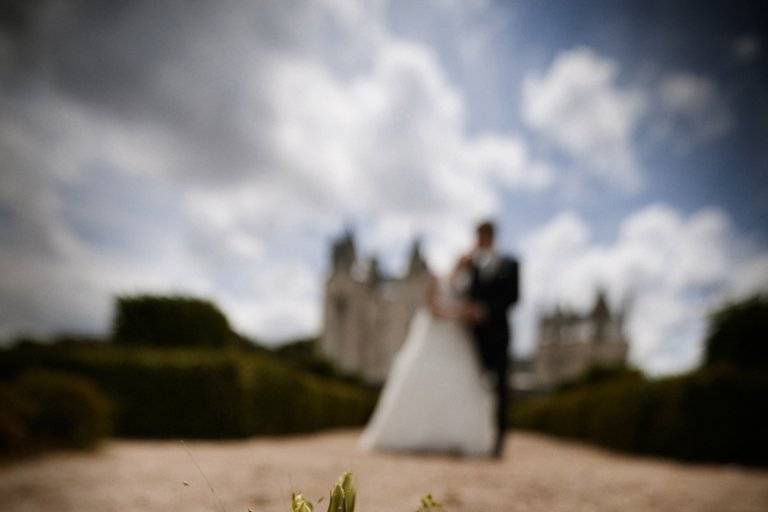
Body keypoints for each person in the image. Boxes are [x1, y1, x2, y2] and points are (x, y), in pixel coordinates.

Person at [358, 264, 496, 456]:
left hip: (455, 341)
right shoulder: (436, 279)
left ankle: (449, 437)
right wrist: (462, 313)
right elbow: (432, 309)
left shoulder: (464, 290)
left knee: (453, 386)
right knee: (425, 380)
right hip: (435, 338)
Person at [457, 220, 520, 458]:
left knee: (501, 387)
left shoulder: (510, 263)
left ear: (491, 236)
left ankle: (498, 441)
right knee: (474, 385)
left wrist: (485, 310)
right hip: (474, 337)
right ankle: (476, 436)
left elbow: (513, 298)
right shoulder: (472, 265)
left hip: (499, 335)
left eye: (483, 235)